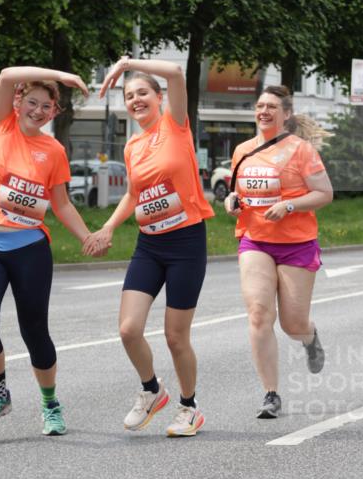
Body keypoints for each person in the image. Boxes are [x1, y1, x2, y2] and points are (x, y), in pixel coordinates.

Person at [84, 56, 214, 437]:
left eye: (143, 93)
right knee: (128, 329)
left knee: (176, 337)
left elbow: (175, 72)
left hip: (186, 241)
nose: (136, 99)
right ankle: (152, 390)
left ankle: (189, 408)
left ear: (160, 98)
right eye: (129, 95)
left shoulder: (176, 126)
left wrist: (125, 63)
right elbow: (133, 195)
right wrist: (107, 227)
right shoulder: (133, 146)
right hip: (149, 244)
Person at [0, 66, 93, 435]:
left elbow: (62, 204)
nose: (37, 111)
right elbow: (7, 74)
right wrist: (64, 77)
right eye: (32, 102)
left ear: (54, 112)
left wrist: (87, 236)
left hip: (29, 249)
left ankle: (50, 402)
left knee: (34, 330)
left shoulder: (53, 150)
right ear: (19, 102)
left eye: (46, 106)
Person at [224, 85, 333, 419]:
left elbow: (324, 193)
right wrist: (231, 203)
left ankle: (310, 338)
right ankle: (271, 393)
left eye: (272, 106)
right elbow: (235, 192)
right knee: (258, 313)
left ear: (286, 114)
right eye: (260, 105)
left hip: (296, 243)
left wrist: (289, 205)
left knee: (292, 323)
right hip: (255, 239)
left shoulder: (301, 150)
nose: (264, 111)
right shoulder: (242, 151)